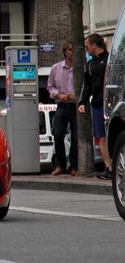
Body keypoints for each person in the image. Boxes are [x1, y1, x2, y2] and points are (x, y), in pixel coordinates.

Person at [78, 33, 112, 180]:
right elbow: (87, 85)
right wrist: (82, 102)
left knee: (112, 135)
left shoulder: (110, 59)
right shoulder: (90, 64)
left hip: (110, 103)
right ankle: (108, 168)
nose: (86, 49)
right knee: (101, 138)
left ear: (94, 45)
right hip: (97, 105)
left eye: (87, 46)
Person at [46, 41, 77, 176]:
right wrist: (59, 95)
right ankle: (60, 165)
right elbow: (50, 86)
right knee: (58, 134)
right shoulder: (56, 68)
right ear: (65, 51)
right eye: (70, 50)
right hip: (62, 105)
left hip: (76, 105)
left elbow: (86, 86)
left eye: (74, 50)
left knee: (76, 137)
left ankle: (74, 166)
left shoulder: (81, 68)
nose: (72, 52)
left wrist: (76, 95)